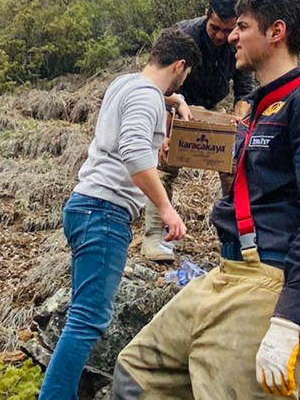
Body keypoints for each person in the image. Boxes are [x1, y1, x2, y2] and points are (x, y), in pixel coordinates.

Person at [112, 0, 300, 399]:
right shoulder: (261, 109)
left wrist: (289, 319)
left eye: (242, 27)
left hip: (272, 280)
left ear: (276, 32)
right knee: (135, 374)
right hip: (226, 272)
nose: (231, 37)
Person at [38, 27, 201, 400]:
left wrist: (174, 103)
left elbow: (134, 135)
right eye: (186, 74)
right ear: (180, 66)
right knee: (88, 319)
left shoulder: (125, 84)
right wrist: (166, 209)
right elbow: (133, 154)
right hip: (105, 213)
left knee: (82, 315)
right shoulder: (146, 97)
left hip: (85, 205)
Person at [141, 0, 255, 262]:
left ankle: (237, 238)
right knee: (164, 165)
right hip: (175, 104)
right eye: (215, 28)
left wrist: (238, 123)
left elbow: (244, 91)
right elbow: (160, 85)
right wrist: (164, 127)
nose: (221, 36)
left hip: (212, 110)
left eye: (228, 30)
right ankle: (154, 236)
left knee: (233, 166)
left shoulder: (239, 42)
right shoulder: (184, 36)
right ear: (207, 15)